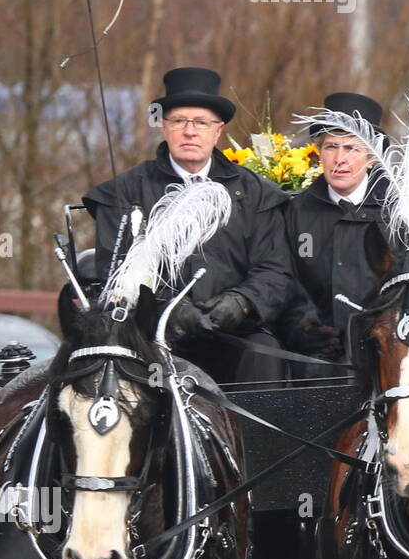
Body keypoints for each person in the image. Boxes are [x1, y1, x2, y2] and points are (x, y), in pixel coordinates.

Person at [81, 67, 300, 383]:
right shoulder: (124, 192)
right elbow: (113, 271)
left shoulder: (257, 194)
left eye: (201, 123)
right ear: (163, 127)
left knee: (265, 356)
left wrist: (242, 302)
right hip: (151, 338)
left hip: (235, 335)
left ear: (218, 131)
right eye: (179, 121)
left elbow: (276, 269)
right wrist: (167, 307)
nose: (189, 131)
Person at [280, 92, 390, 350]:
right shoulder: (296, 212)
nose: (340, 159)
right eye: (331, 147)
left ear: (372, 158)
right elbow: (284, 277)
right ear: (319, 153)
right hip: (317, 352)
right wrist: (303, 326)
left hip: (386, 349)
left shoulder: (397, 211)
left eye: (351, 148)